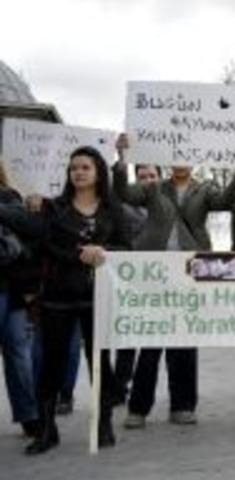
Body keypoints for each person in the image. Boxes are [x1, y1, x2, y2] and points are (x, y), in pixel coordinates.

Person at [113, 134, 235, 429]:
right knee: (150, 341)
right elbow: (124, 193)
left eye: (186, 155)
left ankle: (183, 406)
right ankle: (138, 409)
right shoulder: (154, 187)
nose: (180, 161)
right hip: (155, 272)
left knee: (185, 340)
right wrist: (122, 159)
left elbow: (226, 202)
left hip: (190, 270)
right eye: (175, 155)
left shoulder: (205, 189)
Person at [26, 146, 131, 454]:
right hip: (58, 297)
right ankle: (47, 429)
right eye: (74, 168)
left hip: (98, 298)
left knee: (100, 363)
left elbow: (127, 247)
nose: (79, 172)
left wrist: (104, 252)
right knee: (52, 363)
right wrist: (78, 254)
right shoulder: (54, 207)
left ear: (98, 172)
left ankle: (103, 423)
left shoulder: (113, 210)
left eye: (85, 167)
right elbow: (44, 245)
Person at [113, 163, 162, 406]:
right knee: (128, 337)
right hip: (132, 280)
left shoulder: (166, 204)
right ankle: (119, 387)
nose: (148, 180)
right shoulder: (123, 207)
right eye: (143, 176)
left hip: (162, 281)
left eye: (152, 176)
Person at [0, 161, 39, 438]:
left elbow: (30, 231)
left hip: (10, 289)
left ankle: (29, 415)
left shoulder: (10, 196)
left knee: (18, 353)